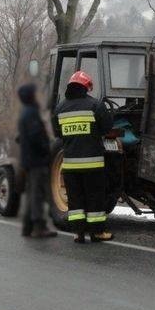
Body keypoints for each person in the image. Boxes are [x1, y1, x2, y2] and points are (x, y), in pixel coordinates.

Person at [51, 71, 113, 243]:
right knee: (94, 199)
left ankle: (78, 233)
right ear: (86, 87)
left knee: (75, 200)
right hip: (93, 164)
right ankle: (97, 232)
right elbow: (107, 127)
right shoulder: (95, 105)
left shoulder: (60, 108)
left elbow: (57, 133)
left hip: (70, 166)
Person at [17, 83, 57, 238]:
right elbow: (35, 136)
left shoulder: (25, 112)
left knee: (32, 193)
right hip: (36, 160)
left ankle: (27, 227)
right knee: (37, 194)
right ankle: (39, 227)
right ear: (30, 96)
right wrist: (46, 150)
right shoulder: (31, 113)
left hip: (29, 160)